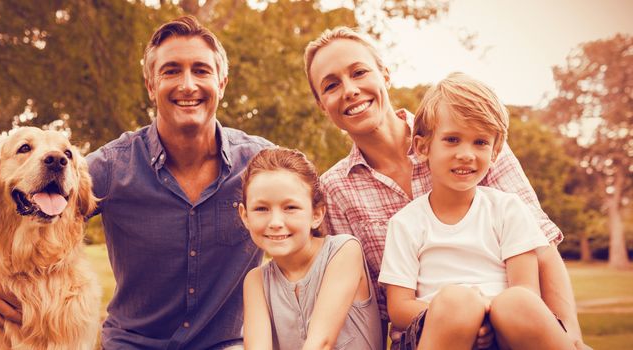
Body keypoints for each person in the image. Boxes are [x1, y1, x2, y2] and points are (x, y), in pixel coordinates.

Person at [0, 16, 272, 349]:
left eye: (201, 70)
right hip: (133, 344)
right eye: (170, 71)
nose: (187, 84)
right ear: (151, 86)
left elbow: (312, 219)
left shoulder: (261, 165)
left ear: (222, 83)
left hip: (225, 345)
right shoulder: (111, 166)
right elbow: (26, 198)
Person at [303, 27, 589, 349]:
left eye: (359, 72)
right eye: (331, 85)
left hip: (508, 323)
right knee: (456, 303)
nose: (350, 90)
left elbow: (541, 246)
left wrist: (570, 333)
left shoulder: (471, 135)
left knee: (517, 305)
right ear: (320, 104)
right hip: (425, 333)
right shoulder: (334, 190)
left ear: (384, 74)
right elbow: (367, 302)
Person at [378, 72, 573, 350]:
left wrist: (486, 313)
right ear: (423, 147)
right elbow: (399, 308)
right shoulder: (406, 223)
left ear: (495, 152)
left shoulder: (508, 209)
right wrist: (462, 313)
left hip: (504, 328)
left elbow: (527, 291)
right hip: (433, 332)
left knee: (517, 302)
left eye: (480, 142)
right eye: (452, 140)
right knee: (458, 301)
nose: (467, 154)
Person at [239, 148, 383, 350]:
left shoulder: (343, 251)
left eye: (290, 208)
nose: (275, 222)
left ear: (316, 214)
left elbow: (321, 343)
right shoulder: (256, 281)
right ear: (245, 216)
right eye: (261, 209)